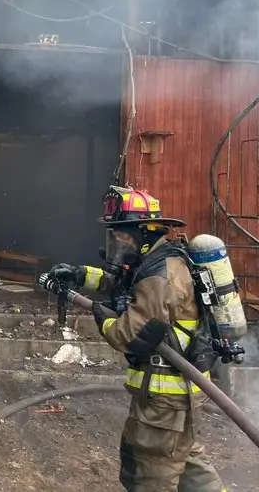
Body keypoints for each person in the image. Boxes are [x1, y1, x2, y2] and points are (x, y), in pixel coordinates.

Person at [41, 186, 226, 492]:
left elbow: (131, 336)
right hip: (170, 398)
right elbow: (119, 283)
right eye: (114, 236)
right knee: (186, 461)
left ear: (145, 233)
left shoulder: (160, 276)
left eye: (122, 236)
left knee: (150, 473)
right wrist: (78, 273)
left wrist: (104, 318)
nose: (116, 243)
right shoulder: (151, 263)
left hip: (166, 398)